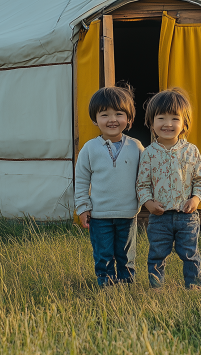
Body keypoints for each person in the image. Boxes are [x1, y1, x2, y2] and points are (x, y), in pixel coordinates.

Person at [136, 88, 201, 289]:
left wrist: (195, 199)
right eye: (161, 118)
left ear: (184, 123)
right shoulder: (148, 154)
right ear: (151, 123)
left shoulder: (191, 151)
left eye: (175, 118)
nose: (168, 124)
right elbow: (141, 184)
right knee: (157, 254)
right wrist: (148, 203)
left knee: (190, 253)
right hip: (159, 217)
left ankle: (194, 287)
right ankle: (156, 289)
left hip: (187, 216)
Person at [74, 86, 144, 287]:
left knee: (125, 254)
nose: (112, 119)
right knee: (103, 253)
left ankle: (126, 284)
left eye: (119, 114)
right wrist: (83, 207)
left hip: (128, 213)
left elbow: (147, 175)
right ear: (95, 119)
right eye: (105, 114)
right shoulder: (89, 148)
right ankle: (105, 284)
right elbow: (81, 180)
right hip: (99, 214)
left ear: (129, 119)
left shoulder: (136, 147)